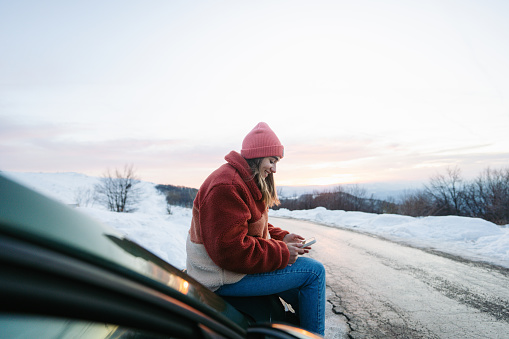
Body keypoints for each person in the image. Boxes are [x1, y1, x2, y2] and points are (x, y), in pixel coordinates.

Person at [186, 122, 326, 336]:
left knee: (305, 284)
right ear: (258, 155)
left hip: (232, 272)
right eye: (272, 161)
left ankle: (298, 331)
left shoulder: (242, 180)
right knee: (314, 273)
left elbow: (251, 223)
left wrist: (283, 237)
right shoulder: (227, 186)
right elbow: (230, 250)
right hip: (220, 277)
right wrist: (282, 252)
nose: (274, 169)